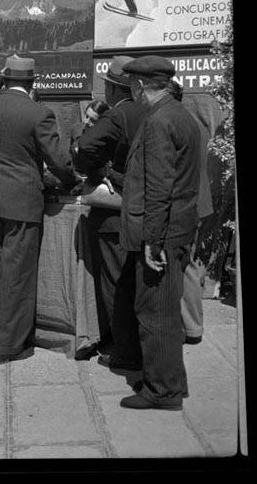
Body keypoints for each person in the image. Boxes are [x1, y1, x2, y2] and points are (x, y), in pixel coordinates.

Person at [0, 55, 75, 364]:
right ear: (32, 82)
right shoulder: (39, 113)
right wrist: (71, 179)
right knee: (17, 275)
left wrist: (0, 76)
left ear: (8, 78)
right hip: (23, 204)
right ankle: (10, 345)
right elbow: (59, 161)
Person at [118, 56, 200, 411]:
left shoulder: (159, 121)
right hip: (177, 228)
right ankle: (171, 381)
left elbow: (159, 187)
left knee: (155, 313)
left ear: (138, 86)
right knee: (164, 309)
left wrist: (152, 239)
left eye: (131, 87)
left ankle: (162, 392)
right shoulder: (180, 114)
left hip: (163, 234)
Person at [75, 57, 147, 362]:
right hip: (143, 208)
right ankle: (139, 346)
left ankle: (124, 351)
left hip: (114, 214)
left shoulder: (117, 116)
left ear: (113, 89)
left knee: (116, 284)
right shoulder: (148, 111)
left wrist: (100, 173)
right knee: (136, 283)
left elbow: (86, 147)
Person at [167, 78, 214, 345]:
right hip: (200, 202)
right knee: (190, 264)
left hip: (188, 204)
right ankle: (192, 325)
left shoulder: (177, 124)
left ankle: (191, 327)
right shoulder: (194, 122)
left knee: (185, 266)